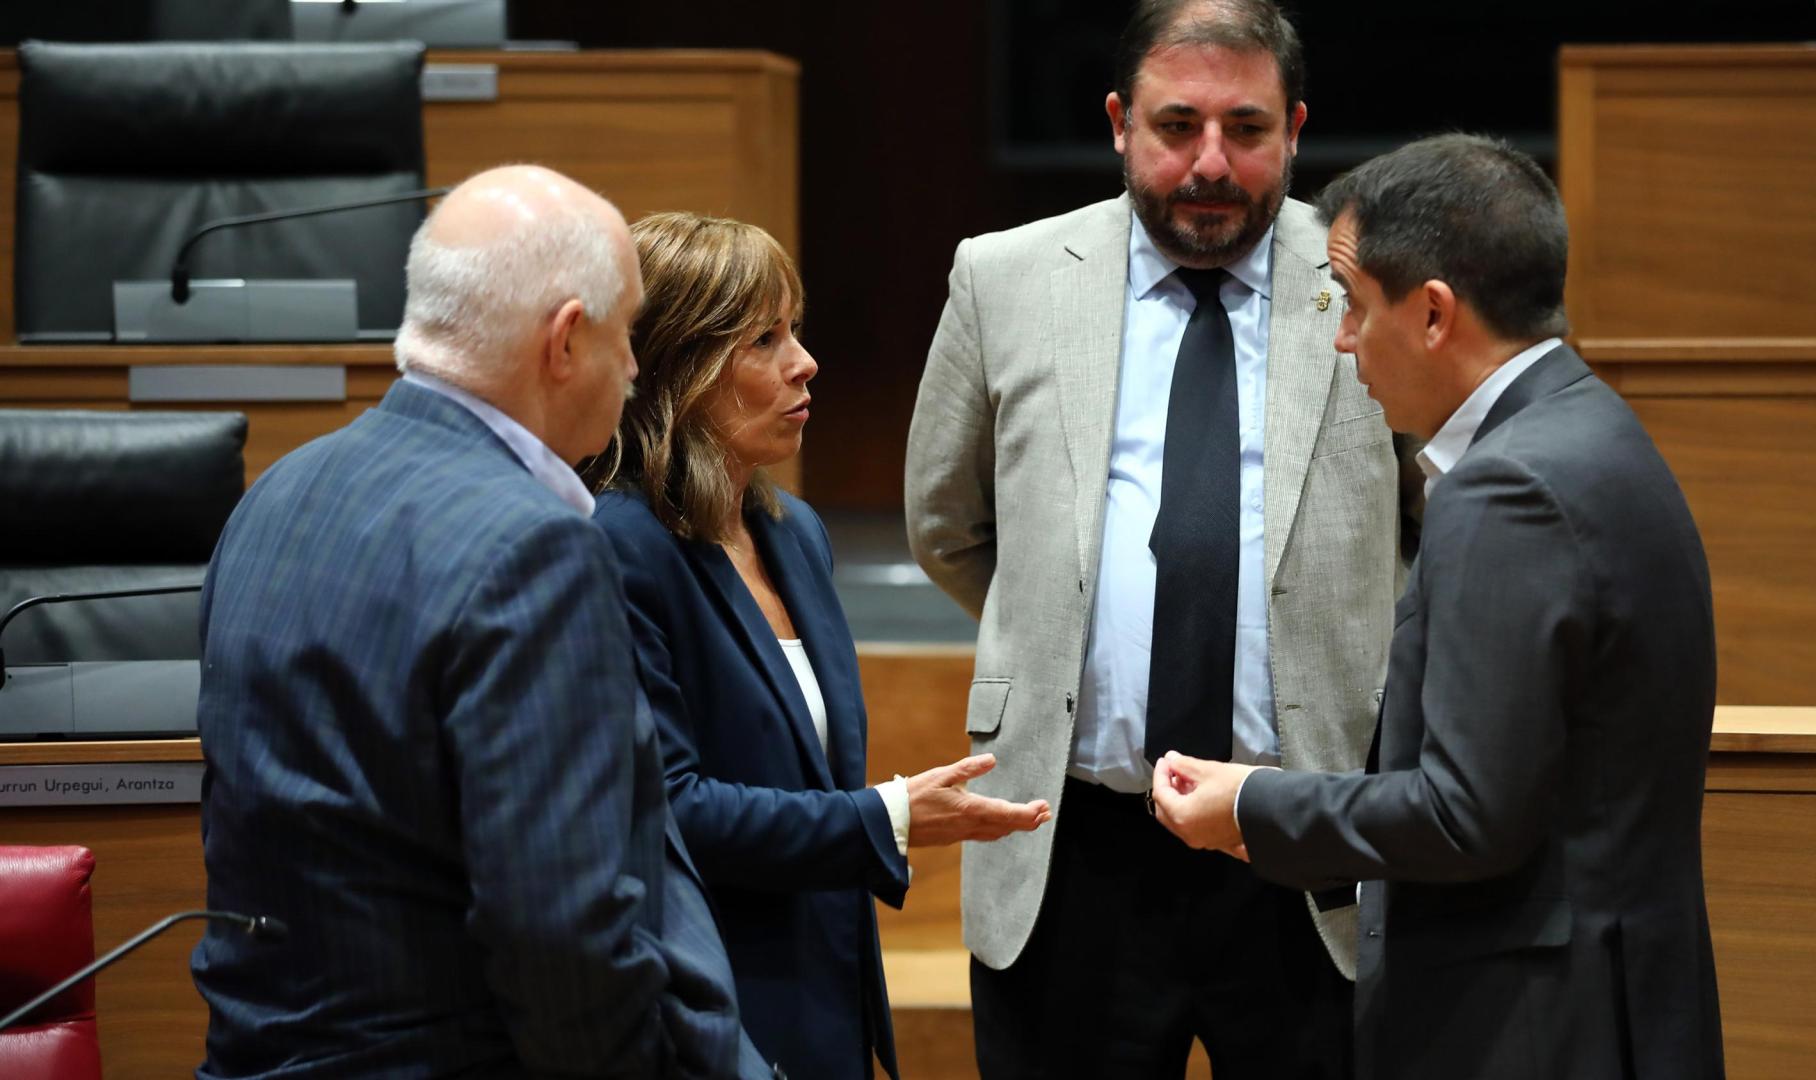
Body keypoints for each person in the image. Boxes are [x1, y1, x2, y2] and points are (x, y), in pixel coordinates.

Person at [905, 1, 1415, 1075]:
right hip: (1072, 840)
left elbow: (1435, 533)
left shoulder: (1379, 279)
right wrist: (1071, 631)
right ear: (1118, 124)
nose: (1211, 163)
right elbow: (948, 524)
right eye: (1178, 126)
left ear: (1296, 128)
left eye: (1247, 128)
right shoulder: (1005, 276)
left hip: (1307, 835)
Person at [1151, 134, 1726, 1079]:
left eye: (1351, 304)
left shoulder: (1509, 488)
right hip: (1614, 997)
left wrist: (1253, 804)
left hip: (1536, 1028)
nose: (1342, 339)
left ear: (1431, 313)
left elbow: (1467, 815)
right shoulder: (1591, 426)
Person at [194, 167, 769, 1079]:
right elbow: (560, 934)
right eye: (626, 334)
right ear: (565, 340)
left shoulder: (277, 495)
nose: (633, 369)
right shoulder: (535, 549)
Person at [586, 212, 1051, 1080]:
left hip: (825, 995)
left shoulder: (794, 533)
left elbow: (812, 779)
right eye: (763, 340)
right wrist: (891, 816)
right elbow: (668, 812)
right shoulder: (619, 546)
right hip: (704, 1005)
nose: (804, 362)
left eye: (793, 329)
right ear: (682, 367)